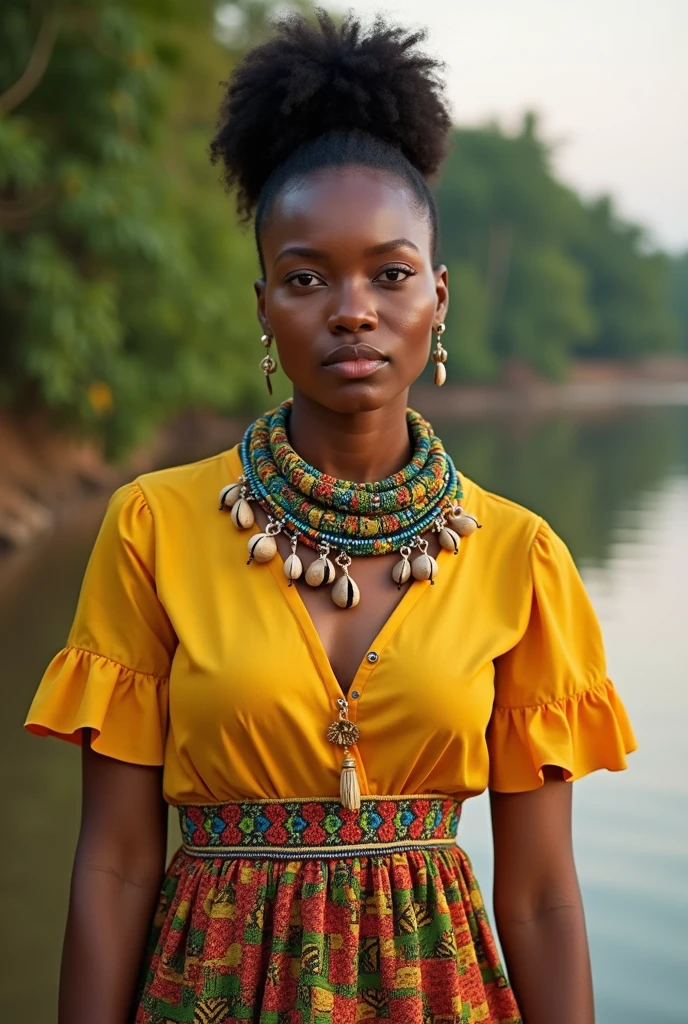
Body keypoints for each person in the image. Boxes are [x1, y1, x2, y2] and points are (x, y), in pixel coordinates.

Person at [25, 11, 637, 1024]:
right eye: (308, 277)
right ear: (264, 304)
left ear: (437, 298)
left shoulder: (521, 556)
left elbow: (537, 895)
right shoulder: (154, 527)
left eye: (389, 274)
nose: (352, 308)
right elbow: (118, 863)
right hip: (208, 993)